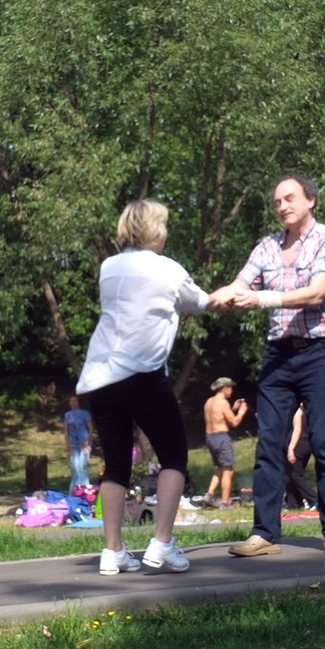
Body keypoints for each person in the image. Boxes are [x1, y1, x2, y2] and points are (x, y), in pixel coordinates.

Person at [208, 176, 325, 557]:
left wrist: (262, 299)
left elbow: (318, 293)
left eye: (289, 198)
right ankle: (264, 533)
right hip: (278, 354)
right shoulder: (266, 247)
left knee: (323, 439)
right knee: (269, 442)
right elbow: (238, 286)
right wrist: (203, 300)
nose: (282, 206)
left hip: (323, 350)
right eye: (276, 202)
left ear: (311, 200)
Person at [75, 198, 211, 577]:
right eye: (163, 226)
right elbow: (200, 303)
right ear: (154, 230)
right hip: (141, 374)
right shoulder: (168, 269)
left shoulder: (108, 267)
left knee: (117, 463)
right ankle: (162, 542)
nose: (166, 233)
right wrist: (237, 295)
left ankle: (113, 551)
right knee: (174, 457)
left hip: (100, 376)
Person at [202, 378, 249, 508]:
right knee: (228, 470)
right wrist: (241, 411)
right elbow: (234, 422)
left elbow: (219, 418)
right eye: (230, 388)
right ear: (224, 388)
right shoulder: (223, 403)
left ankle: (209, 495)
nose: (232, 391)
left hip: (210, 437)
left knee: (220, 468)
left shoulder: (209, 401)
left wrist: (233, 408)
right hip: (221, 437)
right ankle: (225, 501)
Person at [62, 397, 93, 490]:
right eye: (71, 401)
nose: (73, 403)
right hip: (73, 443)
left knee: (82, 467)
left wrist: (87, 442)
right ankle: (74, 490)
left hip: (84, 442)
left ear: (79, 402)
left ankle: (84, 489)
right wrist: (68, 444)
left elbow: (91, 429)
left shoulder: (85, 413)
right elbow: (66, 431)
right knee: (75, 467)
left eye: (75, 401)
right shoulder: (67, 415)